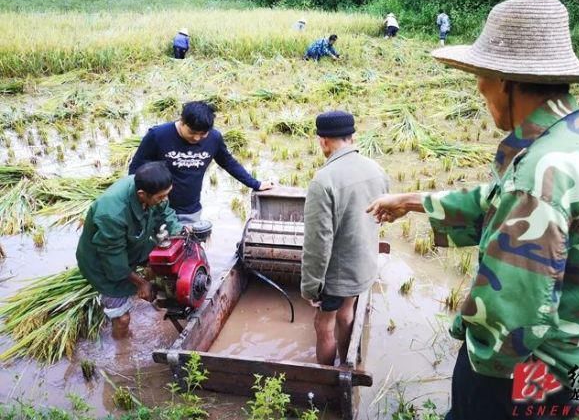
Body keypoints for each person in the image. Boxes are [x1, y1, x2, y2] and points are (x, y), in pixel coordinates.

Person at [367, 0, 579, 420]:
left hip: (535, 377)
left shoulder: (540, 175)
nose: (478, 90)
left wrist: (473, 362)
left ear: (505, 80)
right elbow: (498, 204)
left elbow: (510, 315)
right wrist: (411, 201)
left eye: (481, 78)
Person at [302, 111, 389, 366]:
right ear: (352, 137)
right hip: (362, 266)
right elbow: (380, 215)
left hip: (335, 276)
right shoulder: (377, 169)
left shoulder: (324, 180)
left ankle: (328, 378)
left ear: (322, 141)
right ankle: (347, 365)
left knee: (324, 324)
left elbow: (318, 242)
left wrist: (310, 286)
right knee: (346, 313)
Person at [76, 162, 183, 339]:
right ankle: (122, 351)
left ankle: (152, 297)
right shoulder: (111, 213)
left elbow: (166, 214)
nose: (164, 199)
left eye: (167, 194)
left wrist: (179, 233)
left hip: (135, 245)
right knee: (122, 319)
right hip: (103, 263)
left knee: (158, 273)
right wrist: (141, 283)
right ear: (142, 194)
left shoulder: (154, 189)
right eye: (161, 197)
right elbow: (114, 261)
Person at [129, 101, 273, 224]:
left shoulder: (214, 138)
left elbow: (228, 163)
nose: (197, 138)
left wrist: (255, 184)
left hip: (190, 210)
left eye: (203, 134)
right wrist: (139, 201)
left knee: (188, 250)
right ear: (182, 121)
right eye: (192, 132)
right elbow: (136, 169)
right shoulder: (158, 135)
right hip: (157, 208)